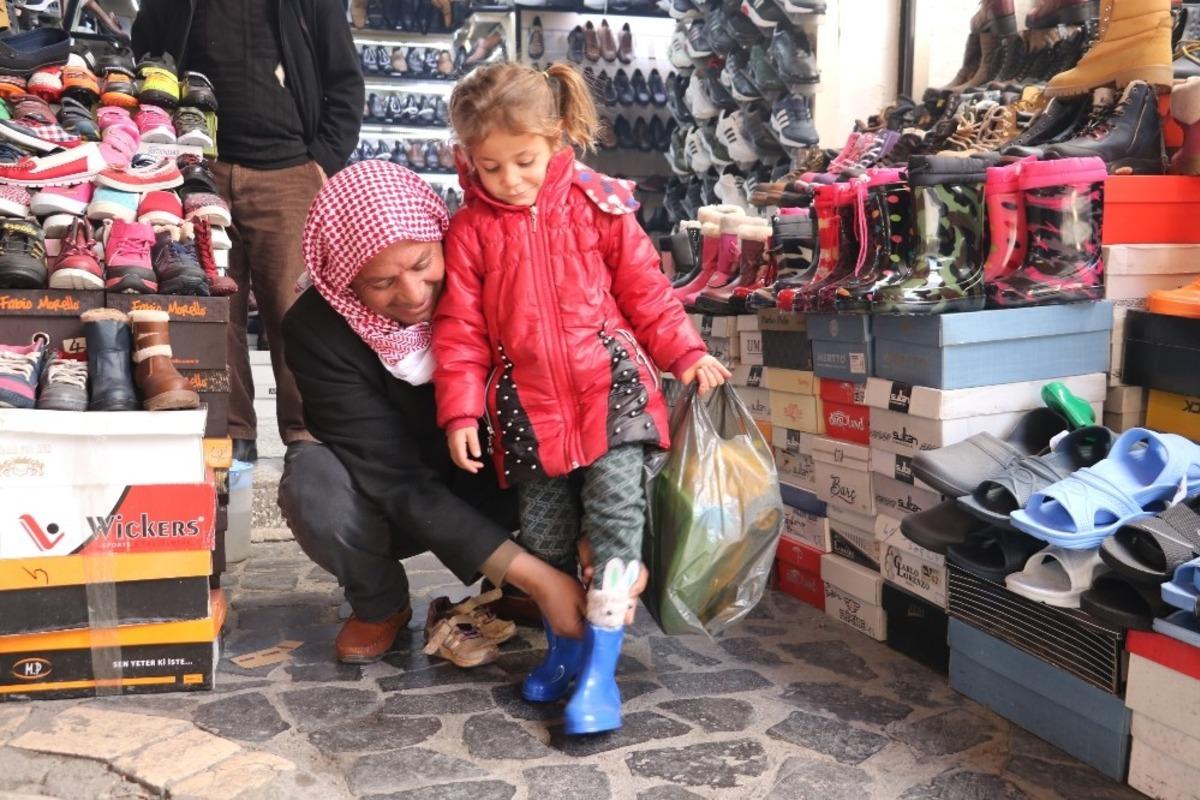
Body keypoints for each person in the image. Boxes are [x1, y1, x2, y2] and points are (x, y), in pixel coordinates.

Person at [433, 62, 730, 735]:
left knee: (617, 527)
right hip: (528, 413)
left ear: (557, 137)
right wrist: (459, 409)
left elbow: (646, 292)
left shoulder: (600, 204)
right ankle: (565, 649)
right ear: (467, 159)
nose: (510, 180)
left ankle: (600, 670)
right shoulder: (470, 230)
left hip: (612, 396)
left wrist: (685, 352)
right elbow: (459, 330)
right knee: (544, 541)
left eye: (525, 161)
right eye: (490, 167)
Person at [279, 161, 586, 664]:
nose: (414, 294)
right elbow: (395, 478)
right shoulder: (316, 330)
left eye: (423, 264)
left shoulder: (494, 276)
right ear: (345, 281)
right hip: (389, 494)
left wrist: (586, 532)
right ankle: (380, 601)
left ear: (441, 236)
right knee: (312, 484)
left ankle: (519, 582)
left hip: (498, 473)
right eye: (381, 283)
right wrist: (539, 577)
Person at [132, 0, 364, 463]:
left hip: (289, 172)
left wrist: (322, 160)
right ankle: (231, 430)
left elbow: (345, 81)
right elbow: (147, 55)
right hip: (201, 168)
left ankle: (308, 434)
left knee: (296, 310)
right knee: (216, 309)